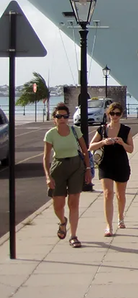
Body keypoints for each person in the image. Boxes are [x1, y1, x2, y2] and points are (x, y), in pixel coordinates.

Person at [43, 102, 91, 248]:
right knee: (58, 204)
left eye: (65, 116)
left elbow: (85, 151)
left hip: (76, 166)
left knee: (74, 202)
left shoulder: (75, 131)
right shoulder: (50, 134)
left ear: (68, 118)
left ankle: (74, 235)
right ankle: (63, 222)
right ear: (54, 119)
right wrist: (48, 177)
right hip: (58, 167)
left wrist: (88, 169)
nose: (62, 119)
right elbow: (46, 158)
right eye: (59, 116)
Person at [89, 102, 134, 237]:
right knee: (108, 194)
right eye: (112, 113)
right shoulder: (102, 130)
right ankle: (108, 226)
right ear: (108, 114)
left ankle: (120, 217)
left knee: (120, 195)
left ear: (121, 115)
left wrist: (122, 142)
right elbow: (91, 146)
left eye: (118, 114)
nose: (115, 116)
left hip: (121, 164)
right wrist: (103, 142)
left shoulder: (126, 130)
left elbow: (131, 149)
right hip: (105, 165)